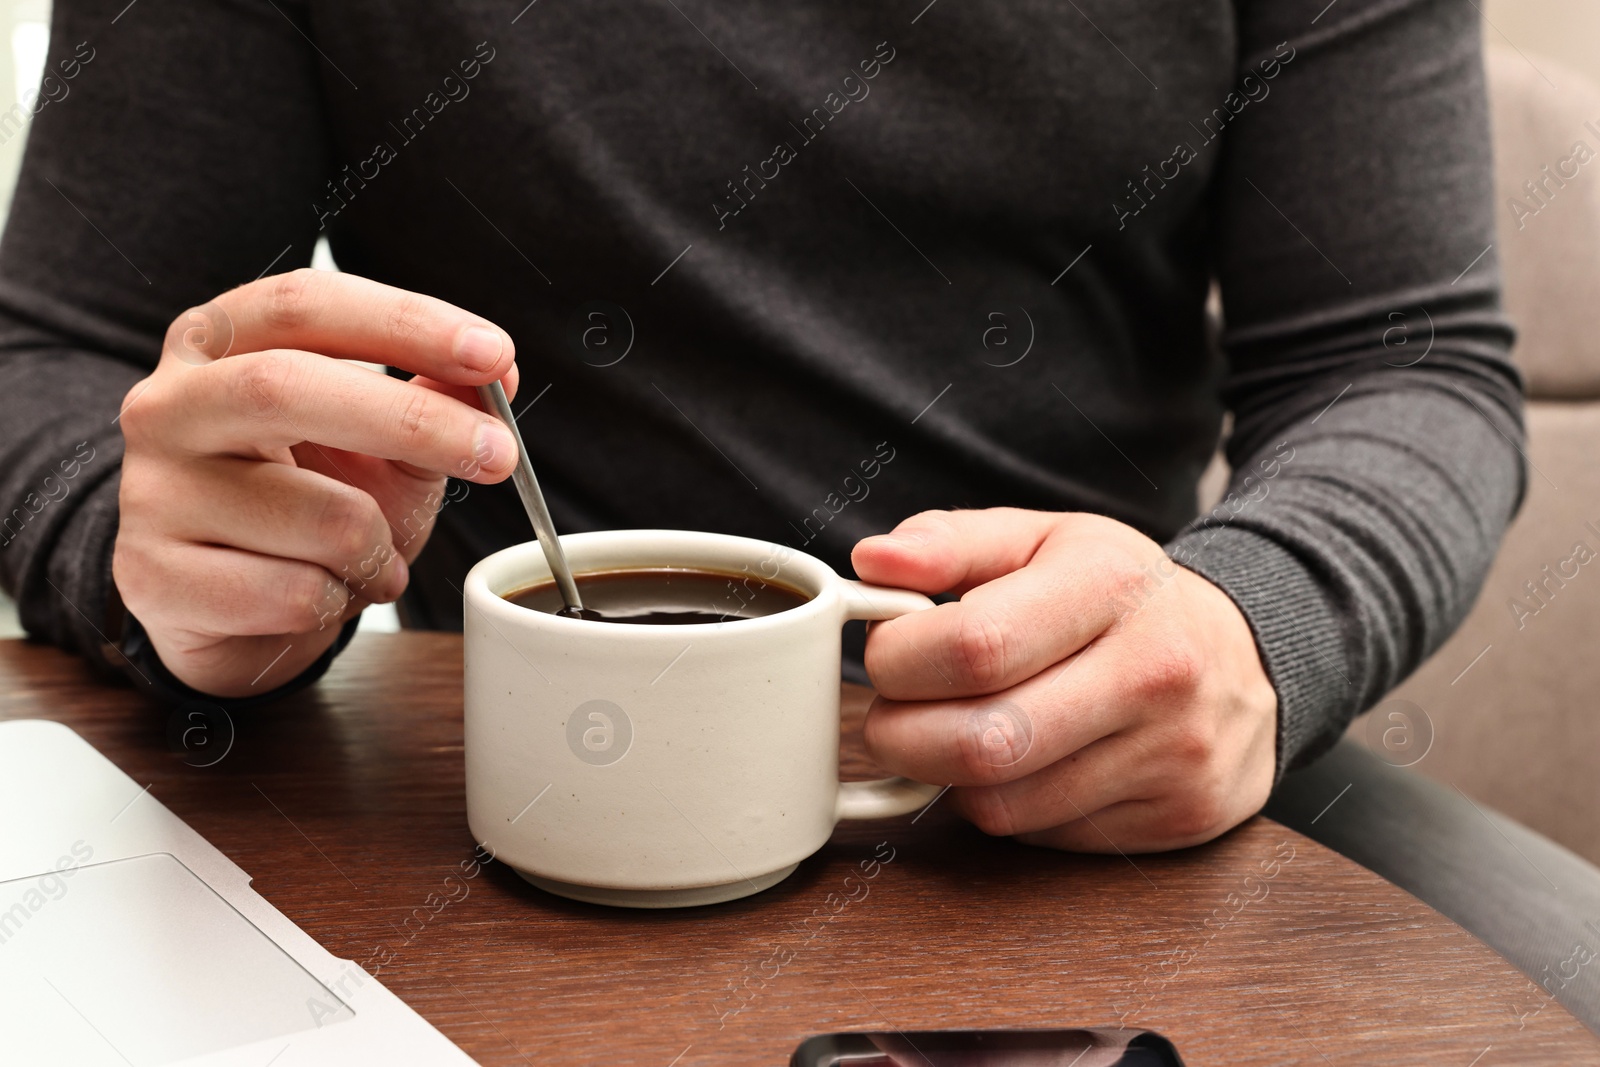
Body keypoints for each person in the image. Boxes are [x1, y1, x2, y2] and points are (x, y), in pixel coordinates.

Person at [2, 0, 1596, 1030]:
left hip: (1111, 811)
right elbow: (55, 347)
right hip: (458, 821)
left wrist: (1254, 619)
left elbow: (1414, 364)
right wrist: (158, 555)